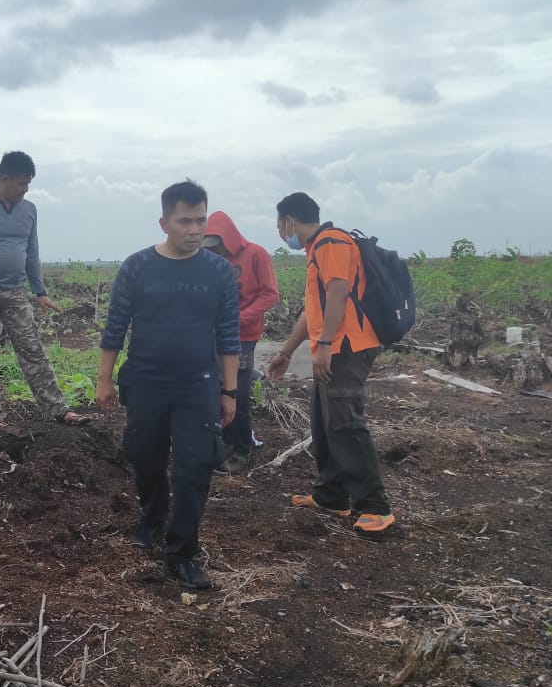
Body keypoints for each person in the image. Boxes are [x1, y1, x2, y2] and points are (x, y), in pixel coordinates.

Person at [96, 180, 241, 590]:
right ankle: (153, 516)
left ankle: (182, 552)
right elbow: (115, 327)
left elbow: (228, 336)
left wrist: (229, 392)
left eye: (200, 220)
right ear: (164, 222)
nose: (195, 230)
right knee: (145, 457)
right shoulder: (138, 267)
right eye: (185, 221)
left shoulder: (219, 273)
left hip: (199, 385)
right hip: (145, 381)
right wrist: (104, 380)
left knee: (196, 466)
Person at [264, 192, 395, 533]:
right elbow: (314, 310)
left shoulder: (331, 243)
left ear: (288, 221)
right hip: (333, 347)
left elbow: (339, 293)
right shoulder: (317, 249)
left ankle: (376, 508)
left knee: (345, 422)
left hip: (348, 347)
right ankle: (332, 496)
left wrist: (323, 344)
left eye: (280, 226)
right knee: (325, 421)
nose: (281, 233)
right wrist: (287, 352)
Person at [0, 151, 91, 428]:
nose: (25, 189)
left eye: (28, 184)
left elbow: (32, 251)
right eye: (21, 183)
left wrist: (40, 291)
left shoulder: (29, 210)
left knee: (33, 349)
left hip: (15, 290)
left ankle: (58, 409)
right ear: (5, 178)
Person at [202, 211, 279, 473]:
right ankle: (224, 443)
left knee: (239, 393)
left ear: (229, 238)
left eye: (219, 245)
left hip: (243, 336)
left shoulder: (256, 254)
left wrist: (241, 318)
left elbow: (270, 294)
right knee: (215, 389)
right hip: (214, 334)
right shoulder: (210, 259)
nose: (216, 251)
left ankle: (243, 450)